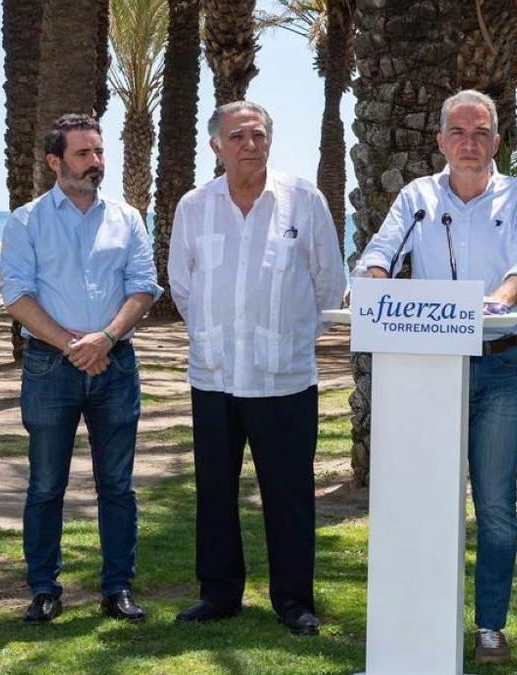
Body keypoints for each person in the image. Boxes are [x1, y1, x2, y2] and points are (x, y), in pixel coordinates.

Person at [355, 89, 517, 664]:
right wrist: (372, 279)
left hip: (500, 367)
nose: (470, 143)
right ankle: (420, 618)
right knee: (424, 500)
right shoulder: (418, 197)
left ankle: (489, 625)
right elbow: (381, 250)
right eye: (459, 133)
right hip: (429, 371)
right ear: (440, 141)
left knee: (493, 505)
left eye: (481, 132)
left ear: (497, 140)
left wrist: (495, 301)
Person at [167, 101, 345, 636]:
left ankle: (294, 601)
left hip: (284, 378)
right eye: (238, 136)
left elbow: (328, 285)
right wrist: (211, 332)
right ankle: (219, 594)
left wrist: (289, 339)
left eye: (259, 134)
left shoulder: (303, 201)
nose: (251, 144)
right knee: (215, 491)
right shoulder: (194, 207)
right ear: (216, 146)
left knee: (289, 493)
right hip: (215, 375)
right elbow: (183, 286)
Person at [0, 113, 162, 625]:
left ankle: (118, 588)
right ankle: (44, 590)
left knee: (117, 485)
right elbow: (16, 295)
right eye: (83, 154)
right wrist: (74, 344)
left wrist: (106, 338)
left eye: (99, 152)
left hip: (116, 365)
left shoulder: (128, 217)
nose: (96, 163)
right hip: (51, 368)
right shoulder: (26, 221)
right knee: (46, 485)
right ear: (55, 162)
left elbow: (144, 286)